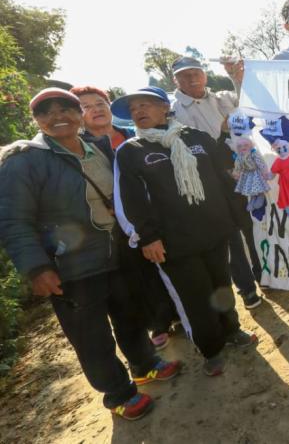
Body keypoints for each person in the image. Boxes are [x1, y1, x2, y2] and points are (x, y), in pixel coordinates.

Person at [0, 88, 181, 421]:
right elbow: (13, 220)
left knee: (130, 317)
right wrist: (37, 268)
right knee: (91, 337)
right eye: (47, 113)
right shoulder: (23, 160)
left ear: (79, 114)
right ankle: (118, 393)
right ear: (37, 120)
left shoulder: (97, 147)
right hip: (71, 267)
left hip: (116, 255)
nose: (58, 117)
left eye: (66, 109)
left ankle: (143, 366)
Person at [113, 87, 258, 376]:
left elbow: (224, 176)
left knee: (221, 286)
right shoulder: (131, 151)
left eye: (145, 105)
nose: (138, 111)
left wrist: (241, 205)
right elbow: (128, 200)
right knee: (194, 299)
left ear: (164, 107)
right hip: (173, 244)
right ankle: (211, 349)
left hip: (215, 232)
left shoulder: (196, 138)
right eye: (133, 109)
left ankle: (232, 331)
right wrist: (147, 237)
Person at [71, 85, 176, 350]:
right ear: (78, 115)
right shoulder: (79, 150)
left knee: (170, 263)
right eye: (85, 106)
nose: (95, 109)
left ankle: (178, 312)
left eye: (99, 103)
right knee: (139, 274)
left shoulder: (134, 135)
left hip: (158, 214)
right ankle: (159, 323)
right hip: (117, 227)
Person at [169, 56, 264, 311]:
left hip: (240, 172)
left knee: (251, 225)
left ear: (205, 75)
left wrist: (238, 77)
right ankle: (247, 289)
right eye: (184, 75)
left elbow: (252, 103)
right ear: (175, 80)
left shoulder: (223, 97)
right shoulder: (172, 109)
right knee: (229, 236)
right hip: (207, 181)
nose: (191, 79)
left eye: (196, 73)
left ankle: (263, 275)